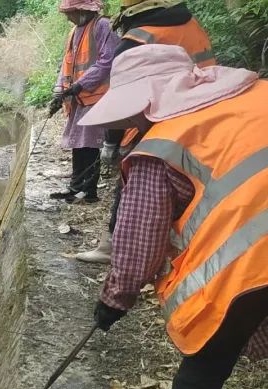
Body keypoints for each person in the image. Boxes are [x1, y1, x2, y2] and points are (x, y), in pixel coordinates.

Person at [80, 45, 268, 389]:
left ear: (146, 100)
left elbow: (138, 245)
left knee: (206, 363)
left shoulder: (164, 145)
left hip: (254, 261)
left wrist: (113, 300)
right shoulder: (253, 95)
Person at [75, 0, 215, 264]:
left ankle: (115, 247)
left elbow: (122, 101)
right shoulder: (192, 25)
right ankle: (179, 251)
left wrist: (111, 145)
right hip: (204, 116)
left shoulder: (135, 41)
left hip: (157, 122)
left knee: (133, 186)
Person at [47, 0, 117, 204]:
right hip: (78, 98)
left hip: (97, 97)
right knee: (78, 143)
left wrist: (80, 85)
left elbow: (108, 61)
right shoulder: (74, 32)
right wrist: (58, 93)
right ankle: (76, 188)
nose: (68, 17)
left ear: (83, 11)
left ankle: (88, 191)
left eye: (71, 13)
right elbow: (66, 65)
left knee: (90, 145)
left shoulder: (102, 26)